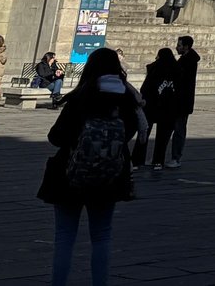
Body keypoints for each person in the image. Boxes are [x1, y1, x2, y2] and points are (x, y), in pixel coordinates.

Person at [40, 46, 142, 286]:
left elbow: (56, 137)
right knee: (102, 236)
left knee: (65, 237)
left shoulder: (81, 97)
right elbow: (130, 133)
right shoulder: (127, 99)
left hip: (71, 173)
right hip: (110, 174)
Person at [157, 36, 198, 169]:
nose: (177, 47)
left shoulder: (188, 62)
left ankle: (176, 157)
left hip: (182, 102)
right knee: (170, 129)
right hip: (177, 101)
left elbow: (182, 81)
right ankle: (161, 157)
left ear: (186, 47)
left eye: (179, 45)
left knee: (179, 130)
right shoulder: (185, 60)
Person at [140, 48, 178, 171]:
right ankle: (158, 162)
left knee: (144, 132)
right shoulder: (177, 69)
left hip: (152, 105)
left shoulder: (153, 68)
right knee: (163, 136)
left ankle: (138, 160)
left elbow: (145, 88)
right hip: (169, 107)